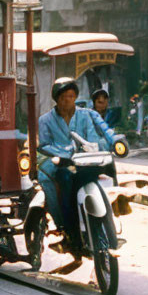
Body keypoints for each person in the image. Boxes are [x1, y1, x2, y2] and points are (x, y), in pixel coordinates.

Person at [37, 77, 102, 252]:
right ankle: (66, 227)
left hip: (82, 161)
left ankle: (104, 221)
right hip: (61, 164)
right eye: (64, 97)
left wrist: (91, 150)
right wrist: (63, 154)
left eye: (72, 96)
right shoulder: (45, 120)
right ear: (57, 99)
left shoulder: (85, 115)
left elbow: (92, 138)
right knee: (64, 183)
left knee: (101, 177)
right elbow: (44, 145)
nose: (68, 100)